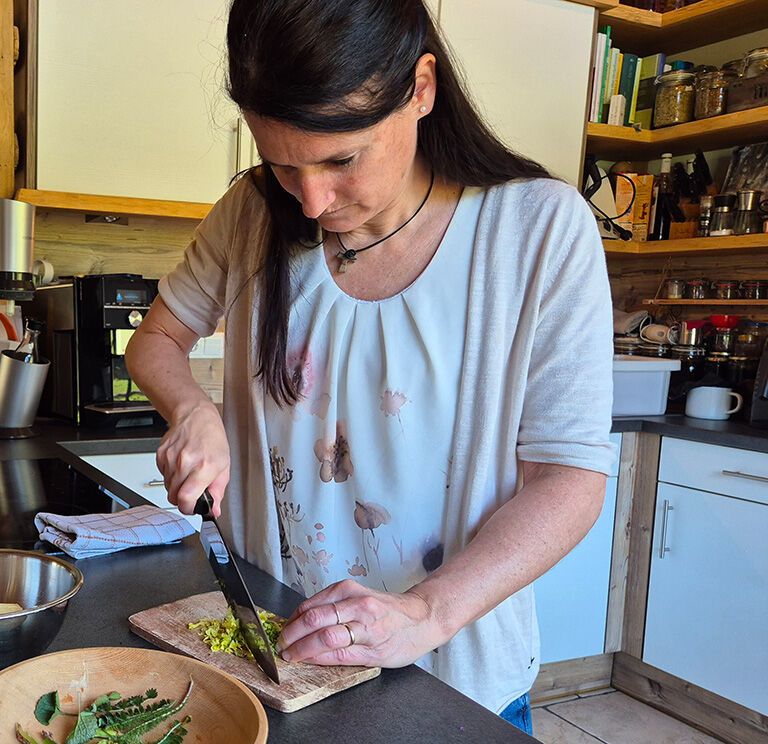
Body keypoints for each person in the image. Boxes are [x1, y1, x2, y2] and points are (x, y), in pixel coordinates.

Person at [125, 0, 615, 734]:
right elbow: (154, 341)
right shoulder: (252, 214)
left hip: (456, 682)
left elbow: (569, 480)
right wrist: (194, 409)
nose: (313, 200)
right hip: (280, 667)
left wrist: (425, 612)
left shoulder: (537, 229)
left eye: (341, 159)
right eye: (283, 164)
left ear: (421, 88)